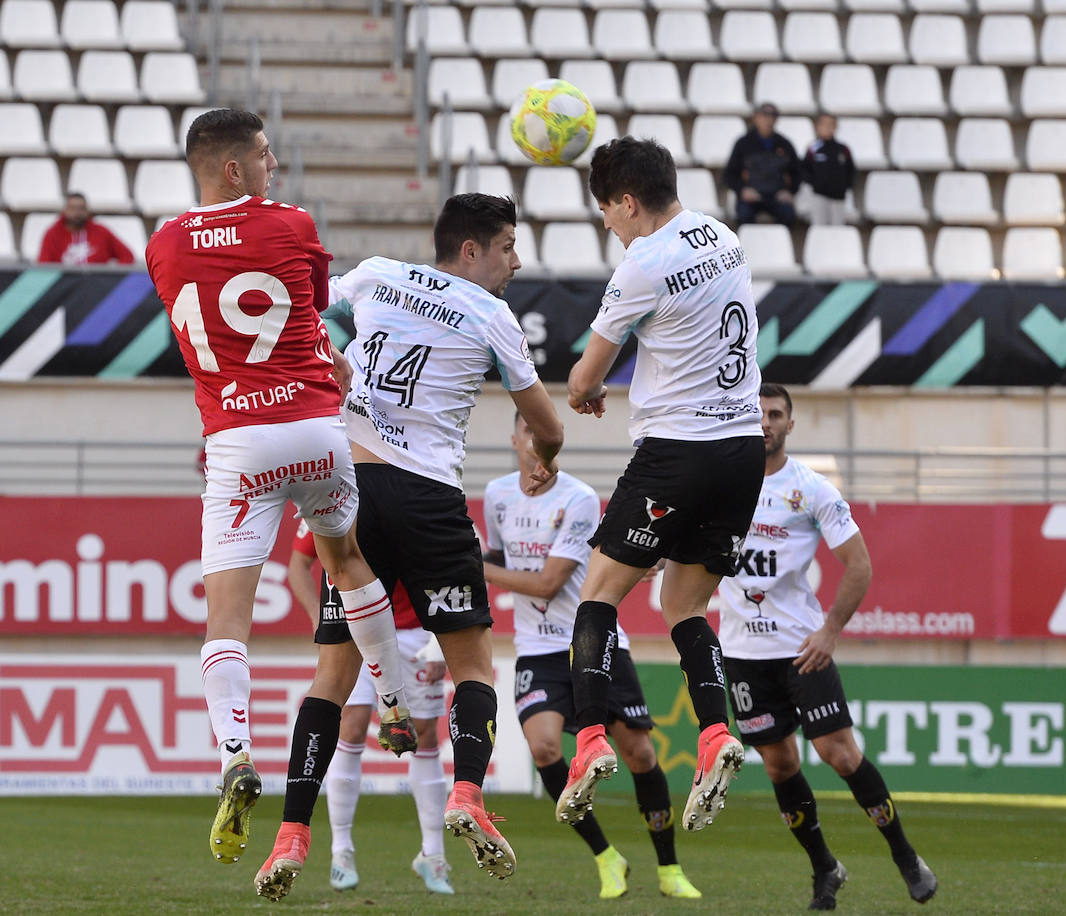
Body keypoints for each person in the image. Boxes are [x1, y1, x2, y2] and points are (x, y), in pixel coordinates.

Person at [255, 193, 565, 901]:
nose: (516, 261)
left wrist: (332, 366)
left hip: (351, 493)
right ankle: (466, 794)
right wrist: (547, 451)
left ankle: (294, 832)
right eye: (508, 246)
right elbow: (546, 423)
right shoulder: (493, 315)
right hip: (428, 499)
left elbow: (303, 322)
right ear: (470, 251)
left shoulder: (372, 275)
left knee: (330, 679)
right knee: (474, 666)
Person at [145, 107, 415, 868]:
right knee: (348, 562)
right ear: (234, 168)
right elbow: (311, 306)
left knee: (226, 618)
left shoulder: (162, 244)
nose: (273, 167)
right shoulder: (293, 224)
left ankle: (234, 752)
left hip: (236, 442)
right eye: (263, 156)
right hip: (316, 431)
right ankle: (393, 700)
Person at [558, 137, 765, 837]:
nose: (609, 227)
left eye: (607, 214)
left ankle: (588, 739)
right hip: (743, 452)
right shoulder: (722, 235)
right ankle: (714, 733)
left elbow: (585, 378)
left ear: (627, 201)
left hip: (679, 452)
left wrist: (585, 394)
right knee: (684, 604)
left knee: (598, 595)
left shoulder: (643, 262)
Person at [720, 384, 937, 910]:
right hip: (742, 654)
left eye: (775, 414)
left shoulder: (811, 489)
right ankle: (824, 868)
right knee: (779, 766)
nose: (766, 422)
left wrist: (830, 630)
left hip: (802, 649)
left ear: (790, 425)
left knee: (838, 753)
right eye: (758, 414)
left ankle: (905, 856)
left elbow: (859, 564)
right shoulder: (719, 485)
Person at [483, 414, 700, 900]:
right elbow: (499, 558)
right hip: (536, 648)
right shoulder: (497, 495)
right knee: (543, 749)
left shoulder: (578, 497)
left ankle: (669, 868)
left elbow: (546, 582)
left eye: (545, 435)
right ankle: (606, 856)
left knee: (640, 754)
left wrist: (474, 566)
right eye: (527, 431)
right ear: (514, 437)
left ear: (553, 443)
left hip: (591, 639)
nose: (535, 441)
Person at [284, 522, 455, 896]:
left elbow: (449, 564)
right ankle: (341, 851)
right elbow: (298, 564)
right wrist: (320, 621)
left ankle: (433, 855)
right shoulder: (337, 488)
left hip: (414, 634)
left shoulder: (416, 484)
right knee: (352, 725)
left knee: (423, 737)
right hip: (352, 628)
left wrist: (440, 642)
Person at [724, 103, 801, 228]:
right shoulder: (743, 143)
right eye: (764, 115)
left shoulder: (785, 144)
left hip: (776, 196)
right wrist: (742, 190)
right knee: (744, 215)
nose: (768, 120)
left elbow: (797, 172)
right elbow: (730, 174)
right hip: (751, 194)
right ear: (756, 118)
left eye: (772, 116)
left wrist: (789, 191)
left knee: (788, 215)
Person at [38, 192, 135, 266]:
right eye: (72, 208)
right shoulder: (53, 233)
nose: (77, 213)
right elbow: (44, 265)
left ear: (87, 210)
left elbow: (127, 256)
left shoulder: (101, 232)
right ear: (65, 210)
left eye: (81, 208)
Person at [802, 114, 855, 226]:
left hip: (839, 197)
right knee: (819, 226)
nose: (827, 127)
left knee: (837, 228)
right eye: (824, 124)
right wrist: (815, 185)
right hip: (819, 195)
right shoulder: (813, 149)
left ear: (835, 127)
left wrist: (845, 186)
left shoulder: (843, 149)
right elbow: (805, 170)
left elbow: (850, 170)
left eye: (831, 125)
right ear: (817, 127)